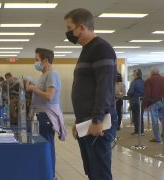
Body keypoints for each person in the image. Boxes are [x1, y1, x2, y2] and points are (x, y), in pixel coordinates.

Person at [65, 8, 117, 180]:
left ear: (81, 27)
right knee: (92, 170)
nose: (68, 32)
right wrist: (80, 122)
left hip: (98, 122)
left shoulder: (101, 48)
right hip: (86, 121)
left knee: (100, 172)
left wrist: (96, 120)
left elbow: (105, 89)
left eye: (70, 28)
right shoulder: (87, 49)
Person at [25, 48, 65, 180]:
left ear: (45, 60)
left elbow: (49, 96)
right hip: (40, 114)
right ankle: (44, 173)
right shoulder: (44, 75)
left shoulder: (52, 74)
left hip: (46, 116)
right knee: (42, 147)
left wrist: (33, 88)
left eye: (37, 60)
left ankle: (50, 175)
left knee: (47, 146)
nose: (36, 63)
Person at [144, 67, 164, 143]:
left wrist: (145, 105)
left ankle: (157, 138)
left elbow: (147, 94)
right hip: (163, 101)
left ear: (151, 73)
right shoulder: (163, 79)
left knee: (155, 121)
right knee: (163, 120)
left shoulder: (149, 80)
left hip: (154, 102)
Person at [127, 69, 145, 136]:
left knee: (136, 117)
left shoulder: (134, 82)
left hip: (135, 102)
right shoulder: (144, 82)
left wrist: (128, 93)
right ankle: (142, 131)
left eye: (133, 74)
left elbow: (130, 92)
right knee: (141, 117)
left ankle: (137, 131)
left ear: (136, 75)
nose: (133, 76)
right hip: (142, 102)